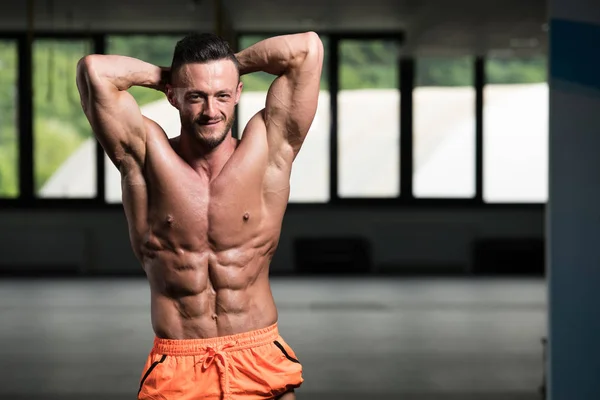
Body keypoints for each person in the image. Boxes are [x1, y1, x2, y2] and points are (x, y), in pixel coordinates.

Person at [75, 31, 324, 400]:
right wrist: (169, 75)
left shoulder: (268, 148)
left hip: (257, 354)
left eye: (223, 95)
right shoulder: (146, 157)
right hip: (179, 363)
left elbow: (307, 50)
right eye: (196, 96)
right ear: (173, 95)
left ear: (238, 93)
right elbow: (95, 71)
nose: (212, 111)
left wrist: (227, 66)